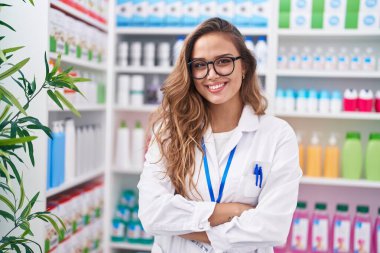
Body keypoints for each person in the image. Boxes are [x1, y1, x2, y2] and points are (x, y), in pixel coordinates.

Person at [137, 17, 302, 253]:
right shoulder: (170, 131)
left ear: (244, 66)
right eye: (200, 65)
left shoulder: (277, 135)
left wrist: (179, 224)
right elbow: (151, 214)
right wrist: (235, 211)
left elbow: (272, 228)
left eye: (223, 61)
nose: (212, 74)